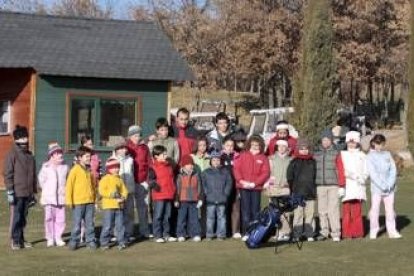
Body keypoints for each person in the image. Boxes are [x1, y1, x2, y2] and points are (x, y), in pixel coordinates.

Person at [4, 125, 37, 250]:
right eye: (22, 137)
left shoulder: (30, 155)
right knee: (17, 217)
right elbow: (8, 173)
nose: (24, 140)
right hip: (17, 192)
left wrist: (33, 192)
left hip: (27, 192)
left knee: (23, 218)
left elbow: (33, 174)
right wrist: (10, 191)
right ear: (16, 139)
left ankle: (21, 239)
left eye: (25, 137)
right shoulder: (12, 154)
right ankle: (15, 240)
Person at [234, 135, 270, 241]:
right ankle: (246, 232)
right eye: (253, 144)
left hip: (256, 188)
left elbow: (266, 172)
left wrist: (255, 183)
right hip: (244, 187)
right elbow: (237, 169)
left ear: (260, 145)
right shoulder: (243, 155)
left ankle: (255, 233)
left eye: (257, 144)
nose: (255, 146)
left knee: (255, 211)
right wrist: (241, 181)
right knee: (245, 211)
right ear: (249, 144)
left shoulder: (263, 157)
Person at [366, 134, 401, 239]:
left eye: (381, 144)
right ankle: (374, 229)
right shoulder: (370, 156)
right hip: (377, 188)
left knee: (390, 209)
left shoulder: (387, 154)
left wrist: (390, 184)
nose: (379, 146)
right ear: (373, 143)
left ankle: (392, 230)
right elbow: (373, 173)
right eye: (377, 144)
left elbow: (393, 169)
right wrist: (382, 185)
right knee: (375, 209)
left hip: (390, 188)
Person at [336, 131, 369, 239]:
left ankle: (358, 232)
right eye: (349, 142)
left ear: (357, 143)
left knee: (357, 211)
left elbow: (366, 170)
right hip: (347, 186)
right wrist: (341, 186)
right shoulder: (342, 154)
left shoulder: (363, 155)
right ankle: (347, 233)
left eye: (353, 142)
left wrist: (363, 178)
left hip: (358, 186)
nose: (351, 144)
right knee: (346, 212)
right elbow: (340, 170)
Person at [66, 146, 97, 250]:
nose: (89, 158)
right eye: (87, 156)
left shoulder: (89, 171)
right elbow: (69, 186)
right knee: (77, 224)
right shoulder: (74, 170)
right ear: (80, 157)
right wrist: (69, 201)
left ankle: (90, 241)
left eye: (90, 156)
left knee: (90, 223)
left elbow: (92, 186)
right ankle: (74, 241)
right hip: (78, 203)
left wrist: (94, 198)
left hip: (89, 202)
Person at [38, 142, 68, 247]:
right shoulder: (45, 167)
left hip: (61, 198)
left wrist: (64, 190)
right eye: (57, 153)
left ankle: (58, 237)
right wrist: (47, 190)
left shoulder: (64, 167)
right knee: (49, 218)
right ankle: (50, 238)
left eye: (60, 153)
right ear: (51, 155)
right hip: (49, 199)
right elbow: (41, 181)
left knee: (61, 219)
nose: (60, 155)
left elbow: (67, 181)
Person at [314, 130, 341, 242]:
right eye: (324, 139)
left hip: (333, 185)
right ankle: (324, 231)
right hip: (320, 185)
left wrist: (341, 185)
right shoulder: (316, 154)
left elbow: (340, 169)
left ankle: (335, 232)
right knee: (322, 210)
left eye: (327, 140)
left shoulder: (336, 153)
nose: (325, 142)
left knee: (333, 209)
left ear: (331, 140)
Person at [287, 139, 317, 242]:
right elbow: (289, 177)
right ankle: (297, 234)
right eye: (302, 149)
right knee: (298, 214)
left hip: (310, 192)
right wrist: (293, 189)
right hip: (297, 192)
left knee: (310, 214)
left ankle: (309, 234)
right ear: (298, 149)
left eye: (306, 149)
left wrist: (314, 188)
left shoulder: (313, 161)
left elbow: (315, 176)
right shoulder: (294, 162)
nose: (304, 151)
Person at [126, 125, 152, 239]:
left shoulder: (144, 148)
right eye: (135, 135)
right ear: (130, 136)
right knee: (129, 209)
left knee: (143, 208)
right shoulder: (126, 148)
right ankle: (128, 231)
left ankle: (144, 230)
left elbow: (149, 164)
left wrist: (147, 180)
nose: (137, 138)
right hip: (130, 182)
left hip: (142, 181)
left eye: (139, 135)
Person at [263, 139, 292, 242]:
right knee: (274, 212)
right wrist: (267, 185)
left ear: (287, 148)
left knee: (285, 212)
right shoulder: (271, 159)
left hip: (285, 189)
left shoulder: (290, 160)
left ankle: (285, 232)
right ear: (277, 147)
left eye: (284, 147)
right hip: (274, 188)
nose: (282, 148)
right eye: (280, 146)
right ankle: (277, 232)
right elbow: (268, 173)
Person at [99, 157, 129, 250]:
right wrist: (111, 195)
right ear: (108, 169)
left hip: (119, 206)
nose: (116, 169)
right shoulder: (105, 178)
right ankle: (104, 242)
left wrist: (123, 197)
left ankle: (121, 242)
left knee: (120, 225)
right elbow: (101, 191)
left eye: (117, 167)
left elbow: (124, 190)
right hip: (108, 206)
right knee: (108, 225)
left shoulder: (119, 179)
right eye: (113, 167)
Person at [202, 151, 232, 241]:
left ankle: (221, 234)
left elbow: (229, 183)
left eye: (218, 160)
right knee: (210, 218)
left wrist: (226, 193)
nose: (216, 162)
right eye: (214, 160)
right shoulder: (206, 172)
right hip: (210, 199)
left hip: (222, 198)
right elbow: (203, 184)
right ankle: (209, 234)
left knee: (221, 217)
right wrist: (207, 193)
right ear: (211, 161)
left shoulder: (225, 172)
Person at [149, 145, 177, 243]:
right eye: (163, 154)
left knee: (168, 216)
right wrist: (155, 185)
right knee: (158, 216)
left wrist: (174, 191)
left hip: (169, 195)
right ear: (156, 156)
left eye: (165, 153)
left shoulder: (169, 166)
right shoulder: (153, 167)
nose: (165, 155)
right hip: (159, 196)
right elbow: (150, 180)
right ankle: (158, 235)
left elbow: (172, 180)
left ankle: (167, 234)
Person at [175, 155, 203, 242]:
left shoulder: (196, 175)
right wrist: (176, 200)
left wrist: (200, 199)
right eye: (188, 164)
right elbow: (177, 189)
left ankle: (196, 234)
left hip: (194, 200)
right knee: (181, 218)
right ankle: (180, 234)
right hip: (182, 200)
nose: (190, 165)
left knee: (194, 218)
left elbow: (199, 188)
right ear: (183, 166)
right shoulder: (179, 176)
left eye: (191, 164)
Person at [112, 138, 136, 243]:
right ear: (116, 149)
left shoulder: (130, 160)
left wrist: (132, 186)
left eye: (124, 148)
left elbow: (132, 173)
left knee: (129, 213)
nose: (123, 150)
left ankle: (128, 233)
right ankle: (117, 234)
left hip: (129, 190)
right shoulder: (112, 160)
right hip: (118, 192)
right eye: (120, 148)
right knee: (118, 214)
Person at [220, 136, 241, 239]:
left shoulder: (238, 156)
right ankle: (225, 230)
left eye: (232, 145)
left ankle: (235, 231)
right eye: (227, 145)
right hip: (223, 188)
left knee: (236, 208)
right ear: (223, 145)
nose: (230, 147)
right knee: (223, 209)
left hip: (236, 186)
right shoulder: (219, 157)